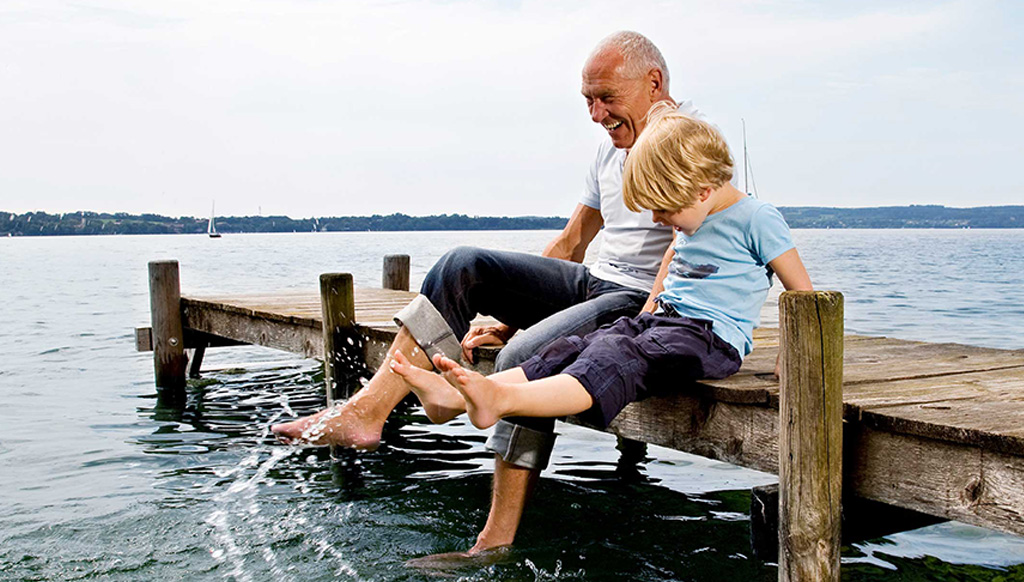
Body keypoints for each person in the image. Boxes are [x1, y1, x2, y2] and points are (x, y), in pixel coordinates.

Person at [271, 30, 717, 557]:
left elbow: (688, 248)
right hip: (594, 282)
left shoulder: (687, 143)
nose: (596, 114)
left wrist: (639, 322)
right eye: (588, 101)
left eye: (607, 99)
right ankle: (374, 409)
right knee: (464, 265)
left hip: (640, 301)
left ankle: (494, 538)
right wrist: (517, 309)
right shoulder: (609, 151)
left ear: (654, 82)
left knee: (526, 355)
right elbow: (574, 240)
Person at [392, 103, 812, 547]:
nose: (657, 220)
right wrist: (643, 315)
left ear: (704, 189)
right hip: (666, 321)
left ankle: (501, 396)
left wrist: (795, 354)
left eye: (663, 211)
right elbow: (670, 269)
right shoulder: (694, 217)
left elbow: (803, 294)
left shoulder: (757, 219)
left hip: (710, 339)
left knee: (615, 357)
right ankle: (454, 399)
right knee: (580, 344)